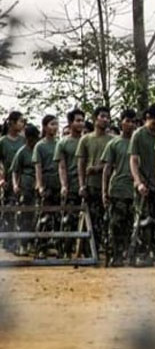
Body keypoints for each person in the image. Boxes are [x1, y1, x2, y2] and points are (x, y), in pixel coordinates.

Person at [129, 104, 155, 266]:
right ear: (147, 118)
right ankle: (142, 254)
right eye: (153, 123)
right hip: (143, 184)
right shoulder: (138, 135)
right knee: (143, 220)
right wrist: (138, 182)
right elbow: (134, 160)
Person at [101, 110, 137, 267]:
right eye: (128, 121)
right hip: (118, 189)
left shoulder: (138, 142)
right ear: (121, 122)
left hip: (135, 190)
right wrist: (104, 191)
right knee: (116, 225)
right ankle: (116, 256)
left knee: (133, 225)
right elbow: (107, 169)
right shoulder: (113, 144)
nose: (131, 124)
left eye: (133, 121)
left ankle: (131, 255)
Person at [76, 107, 113, 253]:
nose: (105, 120)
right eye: (102, 116)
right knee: (90, 219)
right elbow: (81, 164)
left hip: (109, 186)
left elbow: (113, 163)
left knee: (106, 220)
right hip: (91, 185)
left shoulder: (112, 140)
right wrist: (81, 185)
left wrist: (98, 168)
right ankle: (89, 251)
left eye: (107, 117)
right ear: (95, 118)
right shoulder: (85, 139)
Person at [55, 109, 85, 257]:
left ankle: (85, 251)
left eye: (82, 120)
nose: (81, 123)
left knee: (88, 220)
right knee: (69, 220)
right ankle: (65, 250)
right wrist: (64, 185)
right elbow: (61, 166)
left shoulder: (87, 140)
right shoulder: (63, 143)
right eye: (77, 120)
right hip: (71, 186)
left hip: (86, 186)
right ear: (70, 123)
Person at [9, 125, 40, 256]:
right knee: (24, 217)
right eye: (31, 139)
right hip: (25, 187)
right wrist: (15, 185)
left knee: (37, 217)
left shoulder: (39, 150)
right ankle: (22, 245)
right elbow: (15, 171)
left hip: (37, 187)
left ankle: (35, 244)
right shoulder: (22, 152)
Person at [33, 115, 61, 258]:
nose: (55, 127)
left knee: (57, 217)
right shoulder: (40, 146)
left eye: (56, 124)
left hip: (58, 182)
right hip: (46, 182)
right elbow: (38, 167)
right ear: (44, 127)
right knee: (44, 217)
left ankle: (53, 245)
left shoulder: (59, 143)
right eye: (51, 124)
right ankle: (40, 247)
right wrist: (40, 185)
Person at [0, 111, 26, 251]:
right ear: (12, 123)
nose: (22, 124)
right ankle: (8, 241)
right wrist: (1, 179)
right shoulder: (3, 141)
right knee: (8, 211)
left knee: (22, 211)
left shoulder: (24, 141)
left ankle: (21, 242)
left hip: (23, 181)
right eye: (20, 121)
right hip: (8, 181)